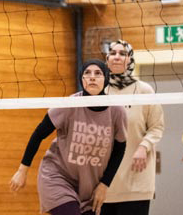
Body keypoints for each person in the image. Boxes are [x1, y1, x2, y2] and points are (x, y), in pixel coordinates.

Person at [10, 61, 128, 215]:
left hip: (89, 187)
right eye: (87, 73)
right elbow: (38, 134)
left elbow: (120, 149)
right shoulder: (69, 105)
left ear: (106, 78)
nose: (92, 77)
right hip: (57, 178)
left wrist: (104, 184)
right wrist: (22, 171)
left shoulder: (117, 111)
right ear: (81, 78)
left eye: (98, 73)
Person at [101, 40, 164, 215]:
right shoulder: (99, 92)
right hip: (103, 185)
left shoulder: (144, 90)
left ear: (130, 60)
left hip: (136, 183)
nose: (117, 57)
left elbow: (157, 127)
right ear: (107, 59)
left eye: (122, 54)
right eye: (113, 53)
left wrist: (144, 147)